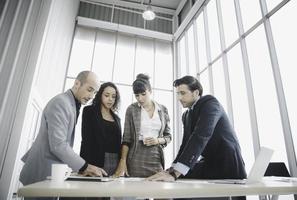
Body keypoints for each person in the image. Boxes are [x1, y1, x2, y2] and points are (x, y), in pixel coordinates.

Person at [147, 75, 246, 200]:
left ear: (196, 93)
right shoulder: (186, 115)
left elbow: (201, 135)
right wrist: (172, 169)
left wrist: (175, 173)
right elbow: (185, 144)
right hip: (209, 163)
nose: (179, 98)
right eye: (178, 94)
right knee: (170, 186)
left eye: (183, 93)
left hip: (227, 164)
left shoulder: (210, 103)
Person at [19, 71, 107, 190]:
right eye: (89, 89)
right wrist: (85, 167)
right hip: (42, 173)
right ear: (77, 83)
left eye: (95, 92)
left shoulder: (71, 103)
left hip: (51, 173)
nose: (92, 96)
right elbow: (58, 145)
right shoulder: (61, 103)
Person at [113, 73, 171, 178]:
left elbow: (168, 136)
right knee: (135, 191)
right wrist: (123, 161)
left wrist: (157, 140)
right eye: (137, 95)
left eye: (143, 94)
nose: (140, 98)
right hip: (136, 157)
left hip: (156, 156)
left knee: (158, 191)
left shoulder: (163, 110)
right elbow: (126, 139)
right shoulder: (131, 109)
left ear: (150, 91)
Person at [80, 82, 122, 176]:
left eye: (113, 96)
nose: (110, 99)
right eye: (107, 95)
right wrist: (84, 166)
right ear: (100, 95)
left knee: (112, 189)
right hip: (95, 160)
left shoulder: (117, 118)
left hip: (115, 161)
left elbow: (119, 142)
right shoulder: (89, 111)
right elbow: (86, 139)